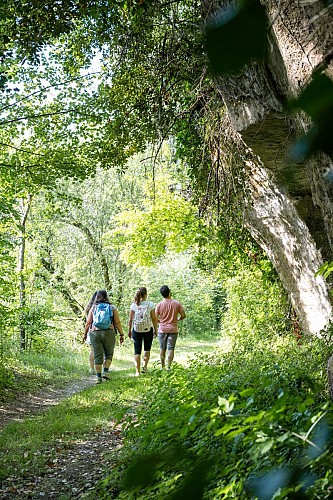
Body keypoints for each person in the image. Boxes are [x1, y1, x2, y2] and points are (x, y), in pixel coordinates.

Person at [84, 290, 125, 384]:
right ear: (106, 296)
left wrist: (85, 334)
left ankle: (98, 378)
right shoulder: (112, 307)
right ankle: (105, 372)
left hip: (95, 333)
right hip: (109, 332)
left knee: (97, 354)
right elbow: (117, 323)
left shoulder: (93, 308)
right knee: (109, 354)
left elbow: (88, 323)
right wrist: (121, 334)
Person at [128, 287, 158, 376]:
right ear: (145, 294)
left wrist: (129, 330)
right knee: (147, 349)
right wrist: (156, 330)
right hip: (148, 329)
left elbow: (130, 320)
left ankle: (137, 371)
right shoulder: (151, 304)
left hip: (136, 330)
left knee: (137, 351)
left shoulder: (134, 305)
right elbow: (153, 319)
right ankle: (144, 367)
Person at [155, 285, 186, 370]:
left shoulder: (159, 305)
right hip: (173, 329)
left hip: (162, 329)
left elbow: (155, 318)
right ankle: (169, 367)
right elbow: (183, 315)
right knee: (171, 348)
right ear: (169, 292)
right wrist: (177, 319)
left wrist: (160, 322)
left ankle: (162, 366)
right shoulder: (177, 303)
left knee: (162, 348)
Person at [84, 291, 98, 375]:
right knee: (102, 350)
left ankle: (92, 368)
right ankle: (102, 369)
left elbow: (88, 322)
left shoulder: (89, 307)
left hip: (91, 331)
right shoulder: (103, 306)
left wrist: (85, 334)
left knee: (92, 350)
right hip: (101, 330)